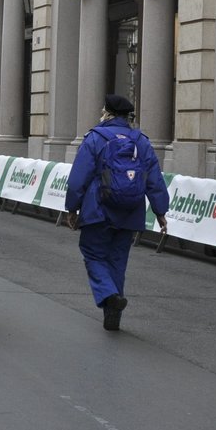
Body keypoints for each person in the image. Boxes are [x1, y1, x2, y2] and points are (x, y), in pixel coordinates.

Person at [65, 94, 169, 331]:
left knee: (93, 254)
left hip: (97, 209)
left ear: (107, 113)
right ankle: (113, 314)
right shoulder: (141, 141)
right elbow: (154, 179)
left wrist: (72, 207)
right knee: (117, 261)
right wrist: (160, 210)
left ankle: (109, 294)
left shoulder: (95, 138)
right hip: (130, 212)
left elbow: (78, 179)